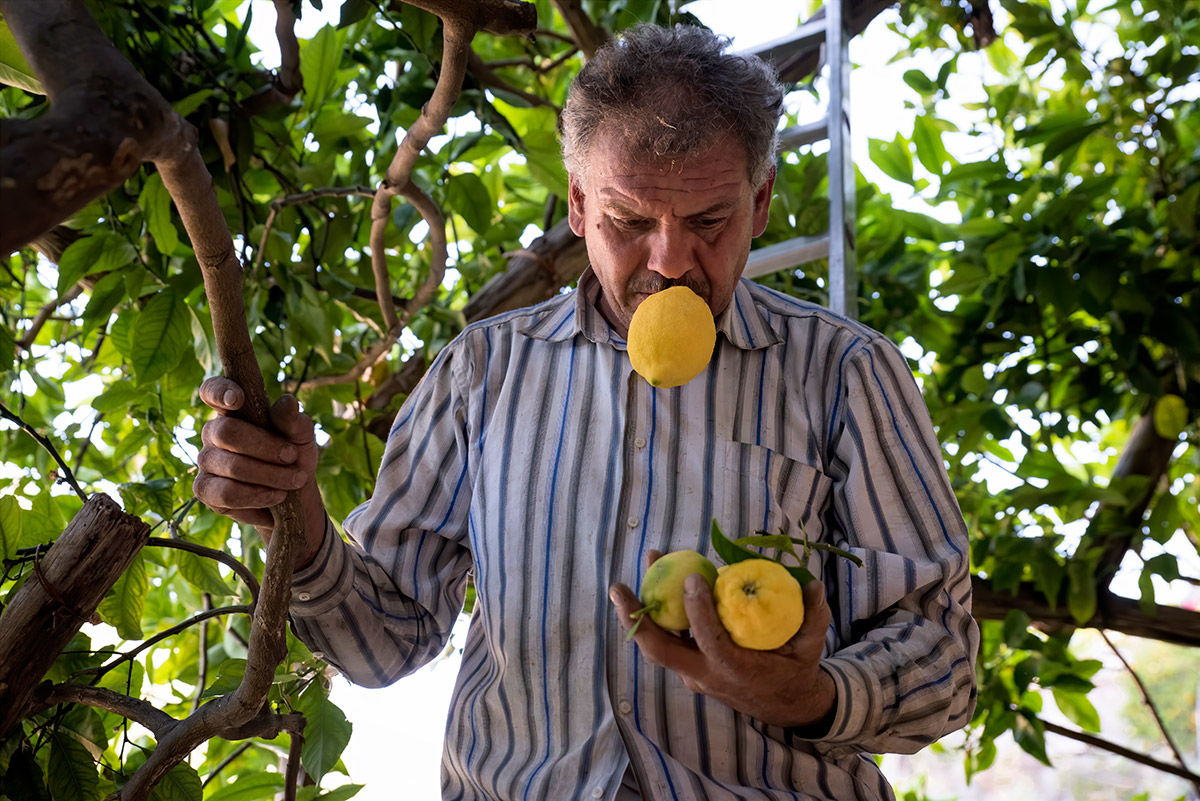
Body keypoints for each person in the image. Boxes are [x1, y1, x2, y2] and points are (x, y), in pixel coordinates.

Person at [194, 23, 978, 801]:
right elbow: (381, 643)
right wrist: (292, 515)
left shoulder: (845, 371)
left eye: (709, 222)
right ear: (576, 205)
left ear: (762, 200)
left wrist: (813, 697)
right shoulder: (483, 370)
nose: (670, 260)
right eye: (630, 221)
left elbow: (944, 658)